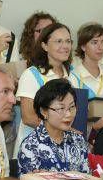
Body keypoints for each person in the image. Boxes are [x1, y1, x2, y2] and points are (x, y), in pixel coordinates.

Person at [14, 22, 72, 157]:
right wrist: (62, 127)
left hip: (64, 150)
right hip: (33, 151)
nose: (65, 46)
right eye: (59, 41)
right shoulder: (32, 75)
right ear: (44, 45)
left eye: (68, 41)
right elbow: (28, 117)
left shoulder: (73, 77)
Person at [18, 79, 89, 175]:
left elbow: (86, 178)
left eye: (72, 107)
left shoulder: (78, 140)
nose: (68, 114)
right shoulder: (30, 146)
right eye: (61, 108)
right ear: (44, 112)